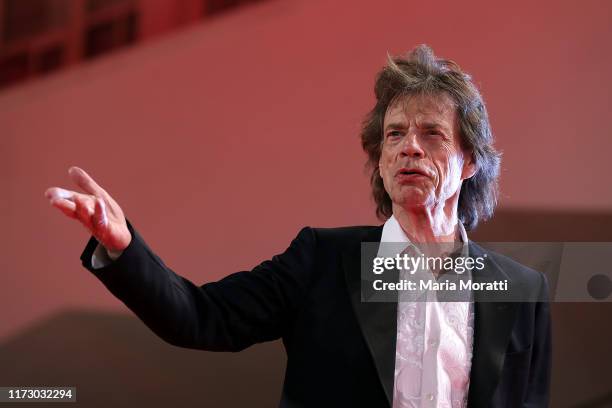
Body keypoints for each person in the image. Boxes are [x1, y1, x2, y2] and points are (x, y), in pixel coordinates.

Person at [45, 45, 551, 407]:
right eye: (394, 134)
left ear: (469, 163)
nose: (409, 147)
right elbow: (201, 317)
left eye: (432, 133)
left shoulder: (522, 292)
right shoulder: (321, 261)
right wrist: (123, 246)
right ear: (379, 161)